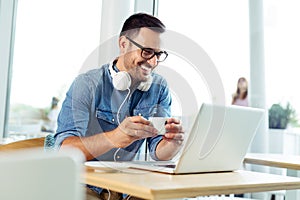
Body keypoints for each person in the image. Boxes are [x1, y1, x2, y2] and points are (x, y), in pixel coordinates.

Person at [53, 13, 184, 200]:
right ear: (123, 44)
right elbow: (64, 151)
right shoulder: (87, 84)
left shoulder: (159, 88)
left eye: (158, 54)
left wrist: (172, 144)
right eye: (147, 52)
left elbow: (158, 152)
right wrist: (116, 137)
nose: (153, 62)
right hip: (87, 187)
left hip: (131, 190)